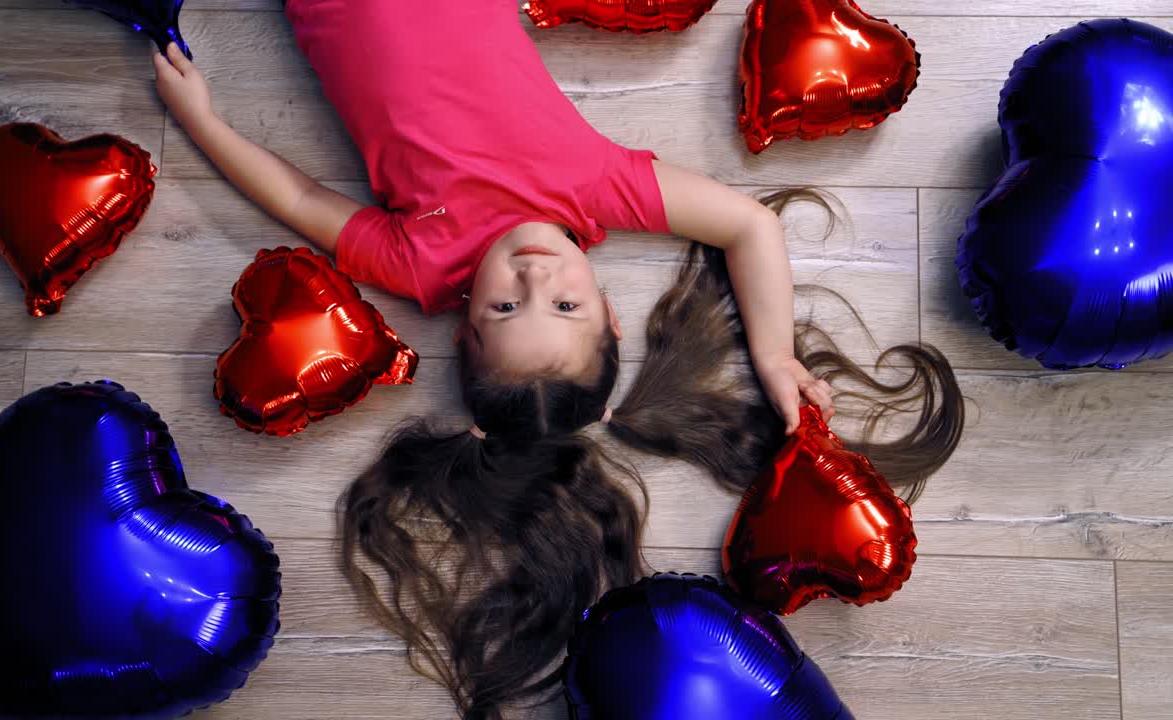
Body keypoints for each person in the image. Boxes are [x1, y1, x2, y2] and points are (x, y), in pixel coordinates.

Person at [152, 3, 964, 717]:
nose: (535, 274)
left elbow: (298, 201)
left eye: (506, 306)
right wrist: (775, 354)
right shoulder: (592, 191)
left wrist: (204, 122)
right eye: (566, 305)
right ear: (611, 310)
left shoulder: (420, 263)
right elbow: (750, 226)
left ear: (464, 327)